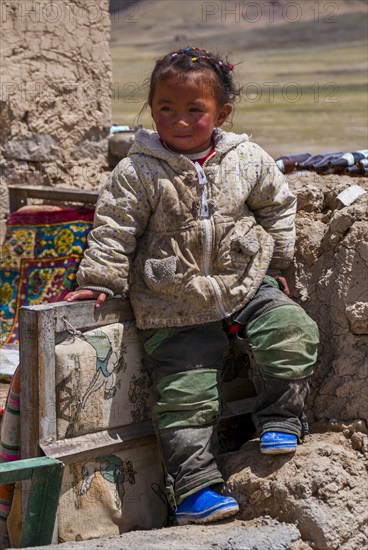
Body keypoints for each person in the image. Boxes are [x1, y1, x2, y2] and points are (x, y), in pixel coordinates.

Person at [64, 46, 319, 525]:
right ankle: (195, 489)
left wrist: (278, 261)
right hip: (172, 299)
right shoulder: (137, 170)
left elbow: (278, 206)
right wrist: (100, 279)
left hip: (243, 283)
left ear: (221, 112)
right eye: (166, 108)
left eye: (194, 110)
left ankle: (282, 419)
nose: (179, 121)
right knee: (185, 392)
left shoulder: (247, 159)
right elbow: (114, 227)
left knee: (290, 328)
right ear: (152, 108)